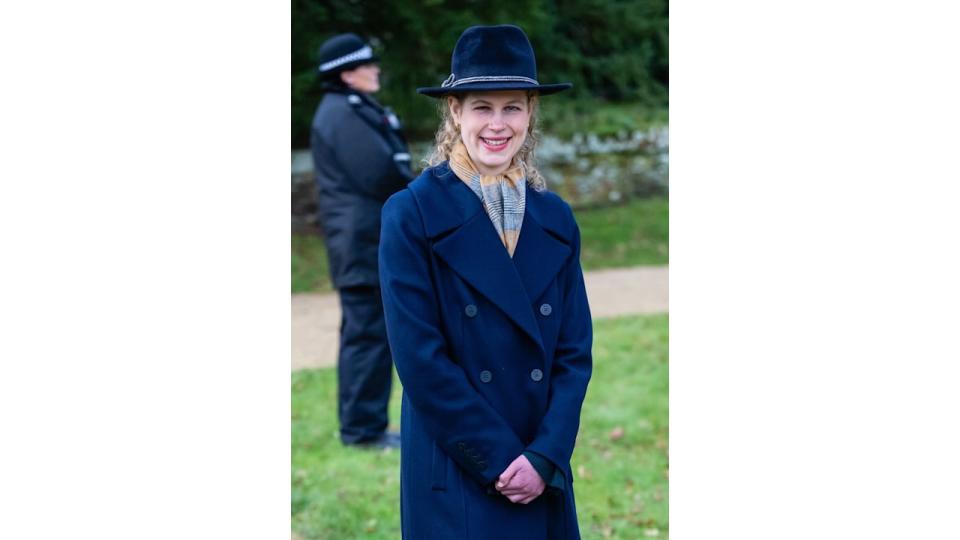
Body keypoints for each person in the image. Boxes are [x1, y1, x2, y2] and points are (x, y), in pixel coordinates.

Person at [378, 25, 593, 539]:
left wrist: (545, 455)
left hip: (539, 464)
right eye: (482, 107)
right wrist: (498, 459)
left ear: (530, 113)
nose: (498, 124)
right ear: (454, 112)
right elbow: (420, 359)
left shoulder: (555, 217)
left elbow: (573, 352)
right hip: (460, 467)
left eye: (512, 107)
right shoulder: (412, 214)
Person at [310, 33, 413, 449]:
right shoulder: (340, 114)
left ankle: (364, 426)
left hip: (365, 240)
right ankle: (362, 431)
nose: (376, 70)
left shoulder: (351, 109)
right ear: (348, 74)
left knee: (370, 334)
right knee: (366, 336)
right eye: (367, 65)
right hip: (360, 243)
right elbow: (378, 173)